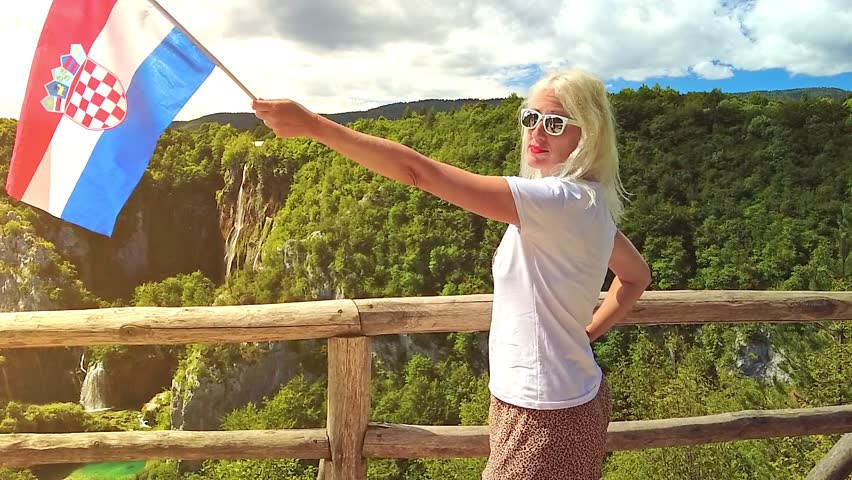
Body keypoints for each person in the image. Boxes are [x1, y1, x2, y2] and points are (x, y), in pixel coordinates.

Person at [253, 68, 651, 480]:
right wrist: (583, 335)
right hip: (573, 397)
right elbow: (636, 276)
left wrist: (314, 126)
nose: (537, 133)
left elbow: (417, 172)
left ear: (586, 135)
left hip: (543, 413)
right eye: (530, 118)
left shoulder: (556, 201)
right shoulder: (589, 203)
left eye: (554, 124)